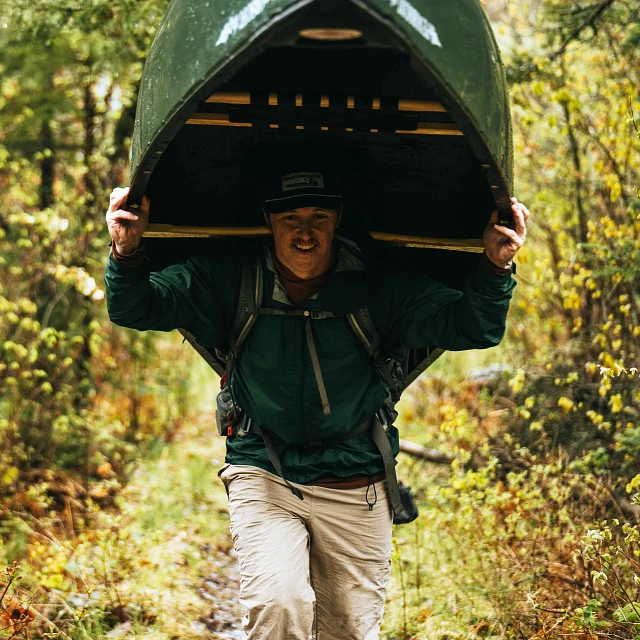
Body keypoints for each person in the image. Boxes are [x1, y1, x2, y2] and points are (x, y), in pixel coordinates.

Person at [105, 154, 529, 640]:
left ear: (337, 220)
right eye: (290, 218)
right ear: (268, 221)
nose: (304, 232)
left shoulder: (378, 282)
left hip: (358, 481)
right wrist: (126, 253)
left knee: (346, 630)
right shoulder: (229, 277)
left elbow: (471, 325)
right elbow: (137, 306)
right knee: (278, 604)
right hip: (263, 471)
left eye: (318, 218)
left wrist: (497, 266)